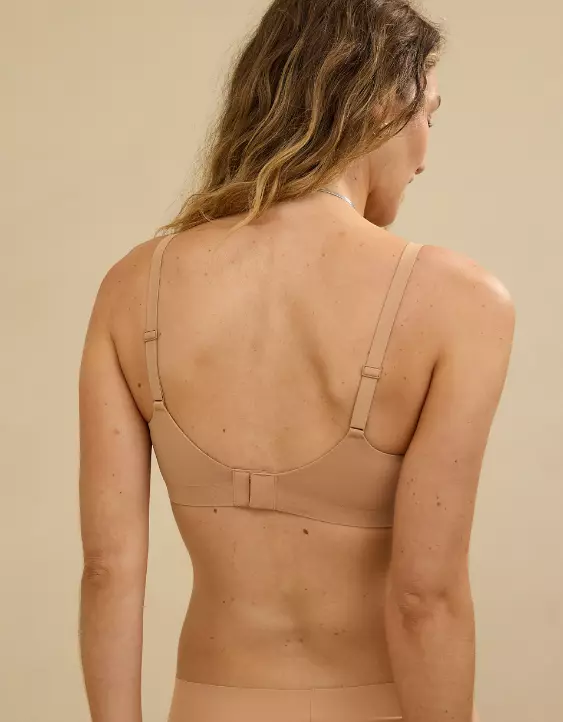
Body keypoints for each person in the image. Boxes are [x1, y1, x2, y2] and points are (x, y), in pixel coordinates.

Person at [78, 1, 515, 721]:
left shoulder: (133, 287)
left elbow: (107, 571)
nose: (425, 157)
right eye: (429, 116)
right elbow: (425, 599)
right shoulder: (459, 301)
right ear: (383, 101)